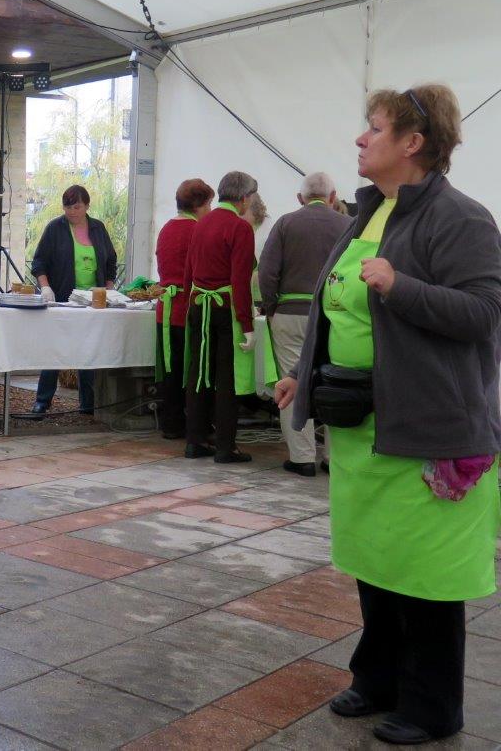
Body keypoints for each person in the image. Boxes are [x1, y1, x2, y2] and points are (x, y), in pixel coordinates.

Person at [275, 84, 501, 745]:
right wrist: (302, 375)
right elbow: (336, 307)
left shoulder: (460, 218)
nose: (360, 138)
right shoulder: (367, 213)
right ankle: (377, 679)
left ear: (413, 143)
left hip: (428, 432)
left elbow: (485, 314)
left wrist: (403, 287)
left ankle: (433, 705)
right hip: (364, 429)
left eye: (374, 128)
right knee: (376, 564)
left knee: (425, 574)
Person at [259, 172, 351, 476]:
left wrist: (272, 307)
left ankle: (301, 457)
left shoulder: (285, 223)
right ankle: (333, 458)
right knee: (335, 382)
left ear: (300, 198)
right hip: (334, 315)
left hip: (291, 313)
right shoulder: (349, 225)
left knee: (291, 380)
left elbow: (267, 272)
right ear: (333, 197)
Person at [183, 170, 258, 462]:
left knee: (198, 373)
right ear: (244, 198)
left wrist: (190, 303)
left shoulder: (201, 223)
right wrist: (247, 323)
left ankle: (195, 440)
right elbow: (241, 280)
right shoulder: (240, 228)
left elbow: (189, 270)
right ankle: (226, 446)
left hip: (198, 304)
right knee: (226, 378)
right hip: (224, 308)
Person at [30, 185, 117, 417]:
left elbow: (111, 261)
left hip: (93, 301)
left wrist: (109, 289)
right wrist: (45, 287)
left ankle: (88, 403)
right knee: (55, 349)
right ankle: (42, 400)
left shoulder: (98, 228)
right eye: (67, 207)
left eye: (77, 207)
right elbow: (39, 262)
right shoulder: (55, 228)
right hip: (62, 298)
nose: (72, 211)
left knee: (88, 350)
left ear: (87, 206)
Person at [155, 178, 214, 440]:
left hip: (165, 308)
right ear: (199, 205)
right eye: (209, 204)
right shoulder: (198, 230)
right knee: (194, 371)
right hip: (189, 307)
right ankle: (197, 426)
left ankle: (171, 423)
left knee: (171, 370)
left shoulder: (166, 228)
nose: (210, 210)